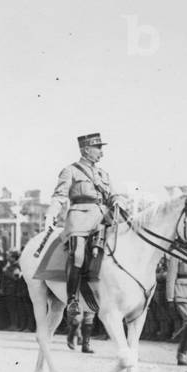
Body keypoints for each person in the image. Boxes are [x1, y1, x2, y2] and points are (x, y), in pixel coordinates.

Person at [45, 132, 118, 319]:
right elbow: (60, 195)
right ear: (86, 150)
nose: (101, 153)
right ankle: (72, 299)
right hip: (80, 217)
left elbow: (113, 196)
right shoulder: (70, 170)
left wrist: (119, 204)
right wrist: (51, 214)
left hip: (103, 218)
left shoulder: (104, 174)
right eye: (98, 148)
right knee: (77, 254)